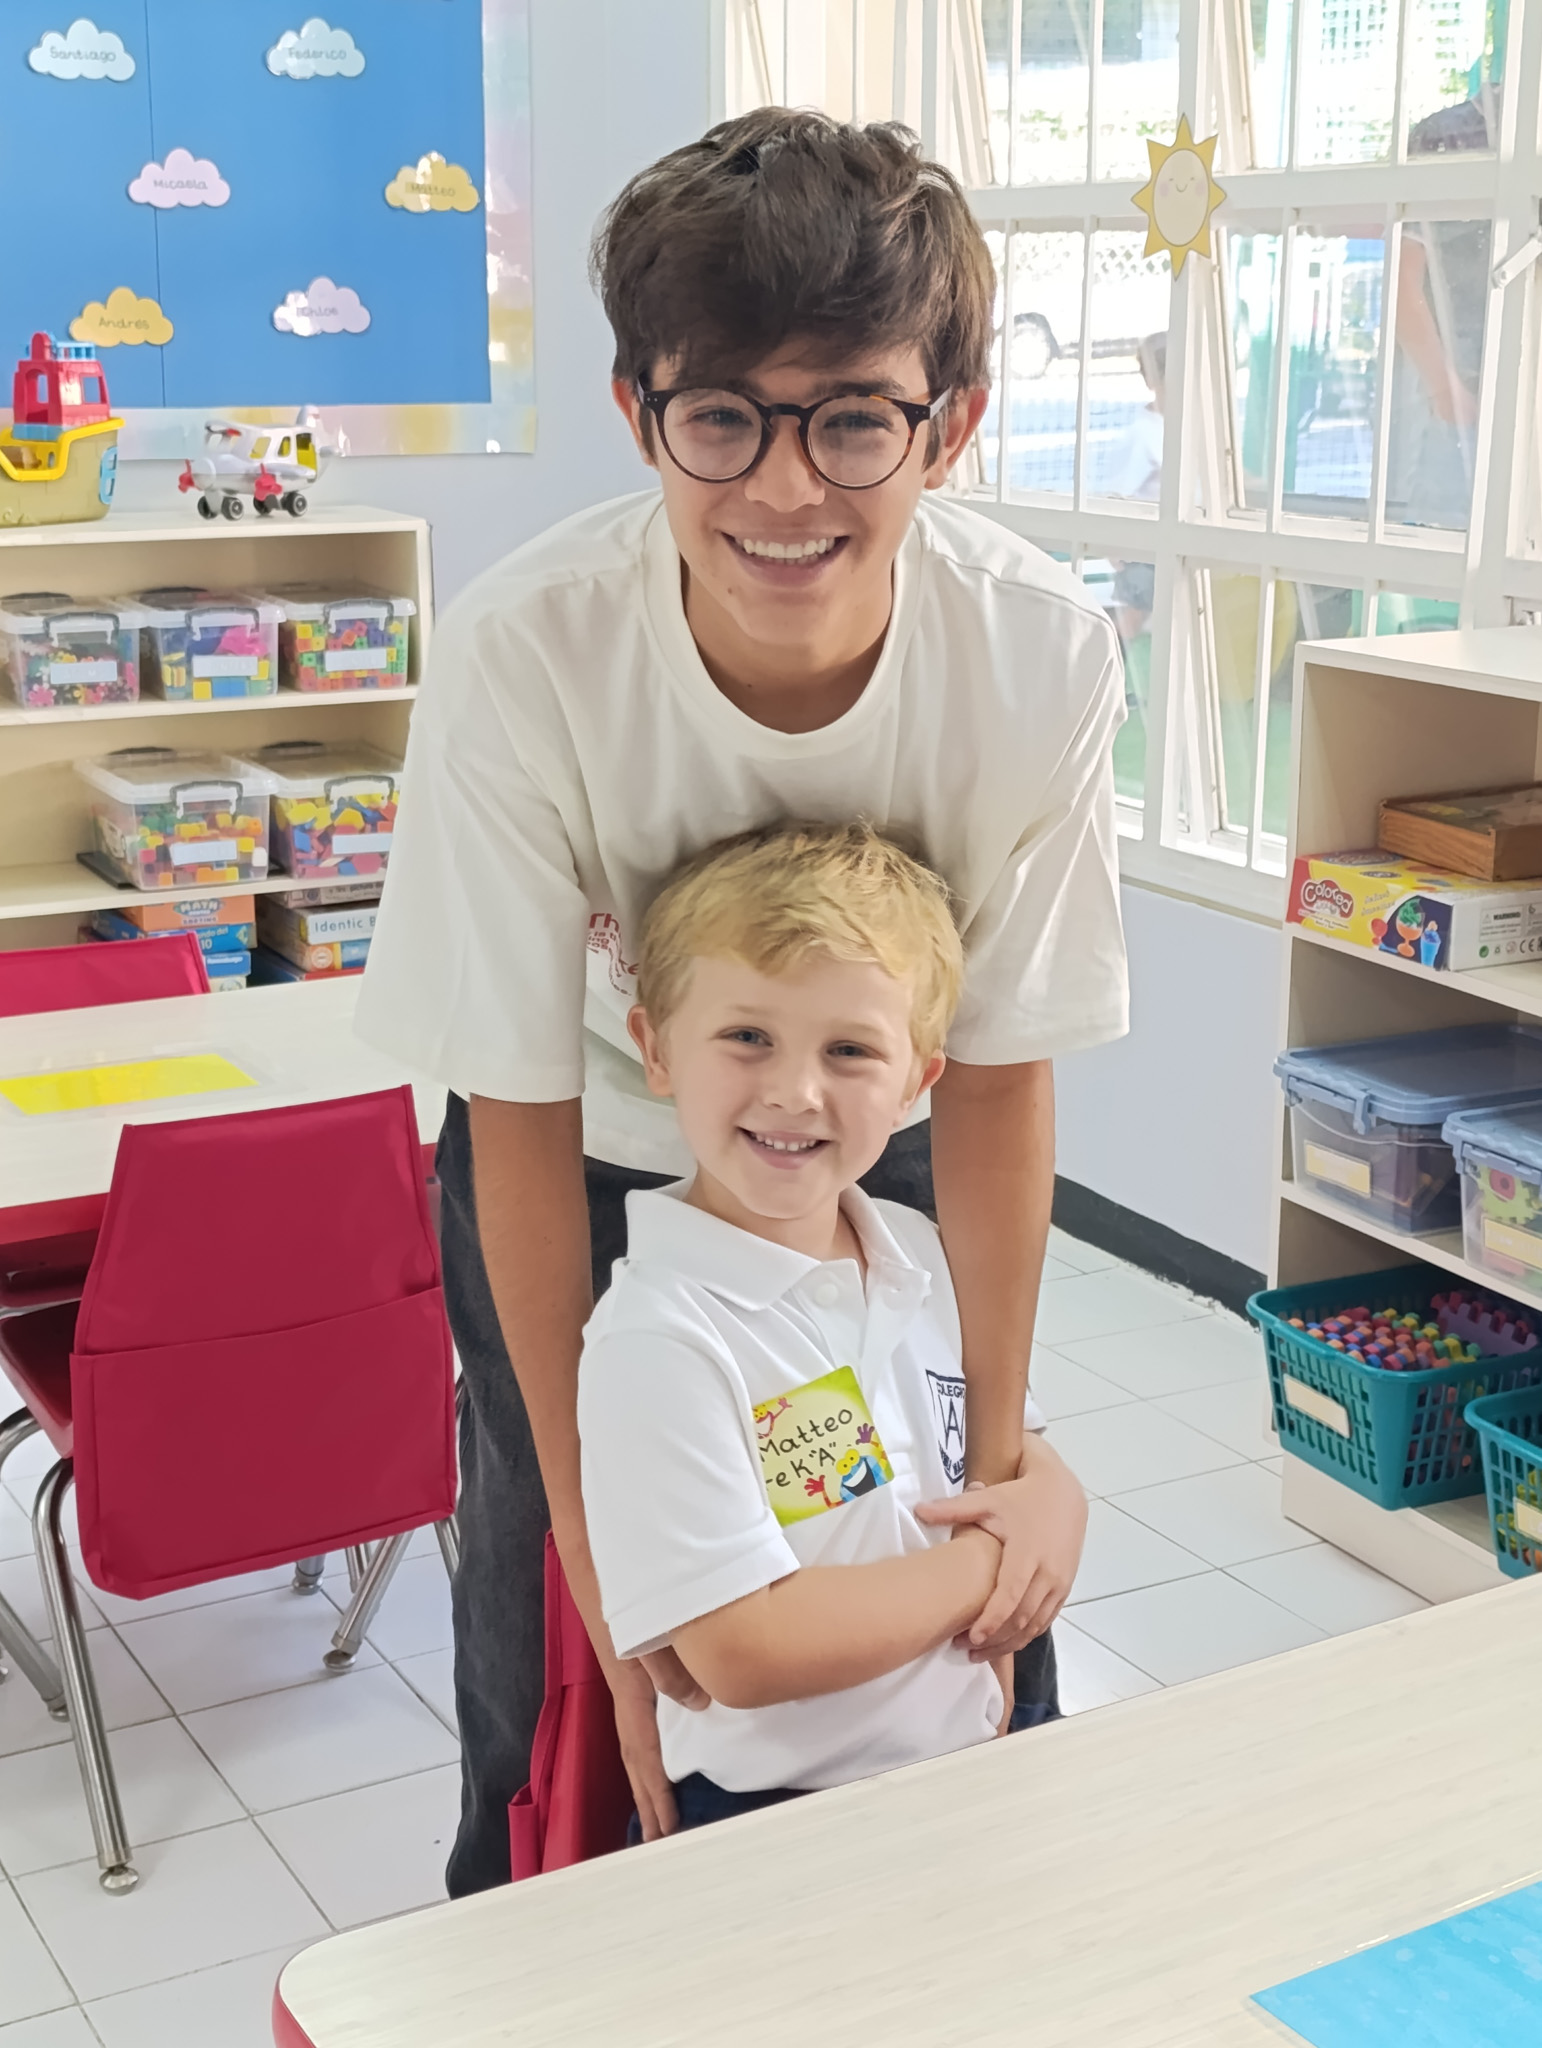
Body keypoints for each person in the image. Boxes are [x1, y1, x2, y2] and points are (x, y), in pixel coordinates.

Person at [356, 106, 1129, 1893]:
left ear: (950, 424)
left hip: (882, 1139)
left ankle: (981, 1917)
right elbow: (515, 1104)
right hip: (584, 1157)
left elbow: (996, 1077)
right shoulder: (530, 653)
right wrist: (607, 1572)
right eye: (722, 417)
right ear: (639, 415)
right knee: (564, 1625)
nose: (785, 491)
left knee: (939, 1568)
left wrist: (1005, 1466)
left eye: (853, 419)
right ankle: (523, 1915)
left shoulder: (1031, 653)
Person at [578, 823, 1089, 1834]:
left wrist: (1058, 1500)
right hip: (768, 1817)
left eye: (849, 1050)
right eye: (747, 1036)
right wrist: (989, 1565)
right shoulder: (660, 1336)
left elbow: (1003, 1440)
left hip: (968, 1763)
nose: (793, 1091)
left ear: (916, 1083)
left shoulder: (921, 1252)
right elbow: (744, 1647)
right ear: (656, 1048)